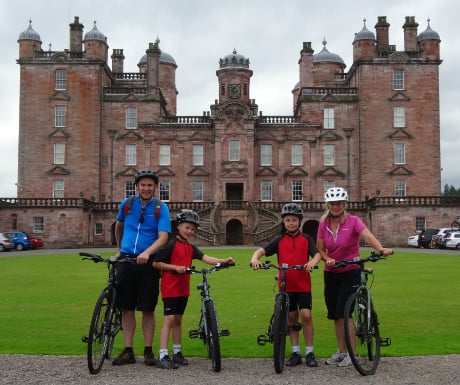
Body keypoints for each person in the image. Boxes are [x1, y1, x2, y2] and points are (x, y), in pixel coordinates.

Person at [316, 187, 393, 368]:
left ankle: (353, 354)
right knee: (335, 314)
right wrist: (328, 259)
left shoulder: (354, 221)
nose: (335, 206)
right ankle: (342, 351)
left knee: (345, 311)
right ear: (328, 205)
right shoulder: (323, 224)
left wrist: (380, 249)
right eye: (333, 203)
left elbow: (368, 236)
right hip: (331, 272)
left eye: (339, 203)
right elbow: (320, 249)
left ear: (344, 204)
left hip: (351, 270)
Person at [152, 209, 235, 369]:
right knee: (169, 320)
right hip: (170, 287)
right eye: (187, 227)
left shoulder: (190, 247)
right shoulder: (171, 244)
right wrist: (175, 267)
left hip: (183, 288)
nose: (190, 231)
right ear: (179, 227)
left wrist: (223, 261)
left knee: (178, 320)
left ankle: (177, 352)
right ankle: (162, 355)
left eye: (192, 229)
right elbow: (156, 264)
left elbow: (206, 258)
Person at [250, 203, 322, 368]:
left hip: (303, 285)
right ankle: (295, 351)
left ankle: (310, 351)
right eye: (288, 220)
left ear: (299, 221)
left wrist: (312, 262)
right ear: (283, 222)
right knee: (291, 318)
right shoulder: (279, 240)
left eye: (294, 220)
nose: (291, 223)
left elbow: (317, 253)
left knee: (306, 316)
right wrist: (255, 259)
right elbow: (261, 250)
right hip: (286, 286)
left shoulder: (306, 239)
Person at [112, 169, 171, 366]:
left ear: (155, 187)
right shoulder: (127, 204)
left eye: (150, 185)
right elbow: (118, 226)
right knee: (126, 308)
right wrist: (120, 249)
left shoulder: (161, 208)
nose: (146, 188)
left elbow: (163, 237)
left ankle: (148, 350)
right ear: (137, 187)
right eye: (143, 185)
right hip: (127, 259)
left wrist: (147, 252)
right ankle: (128, 350)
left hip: (148, 263)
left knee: (147, 308)